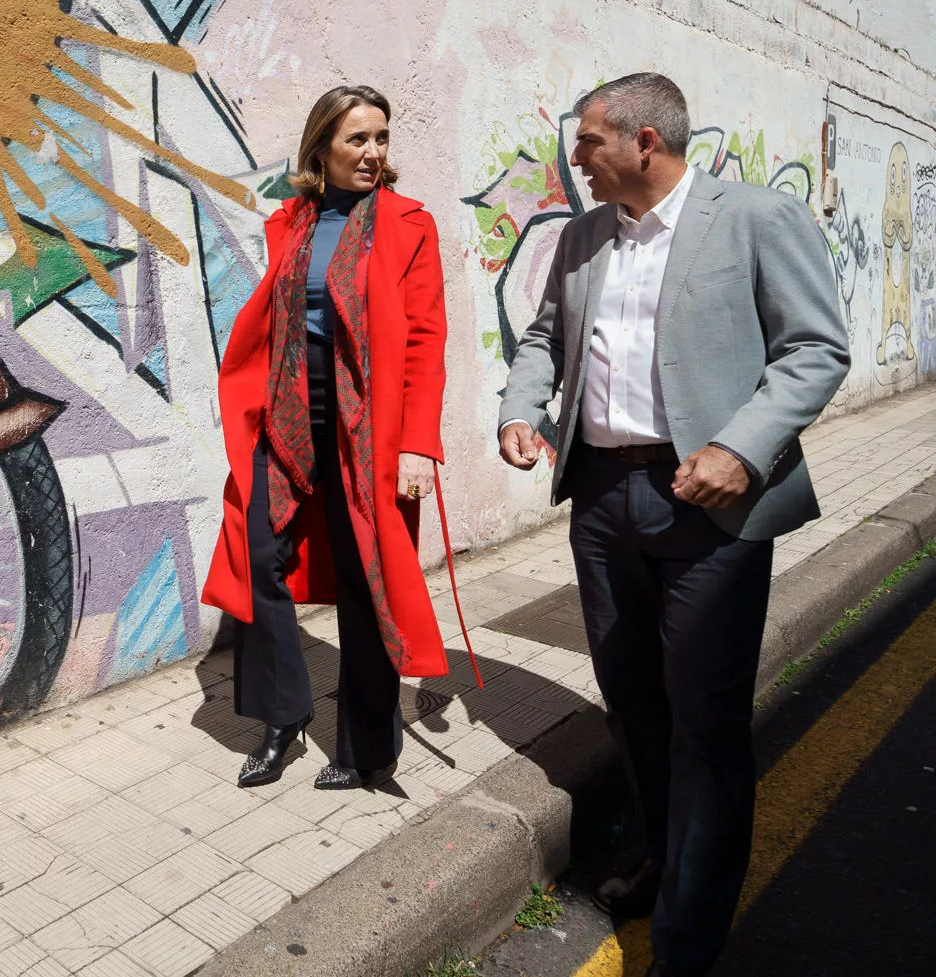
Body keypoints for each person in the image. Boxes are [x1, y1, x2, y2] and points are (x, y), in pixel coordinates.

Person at [498, 73, 848, 977]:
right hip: (601, 499)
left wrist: (741, 449)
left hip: (710, 503)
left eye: (588, 141)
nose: (576, 157)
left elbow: (816, 349)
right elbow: (543, 338)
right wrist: (522, 408)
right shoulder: (583, 235)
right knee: (635, 704)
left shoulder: (757, 218)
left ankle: (689, 939)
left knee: (705, 721)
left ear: (643, 142)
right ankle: (665, 857)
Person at [202, 85, 451, 791]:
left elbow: (426, 339)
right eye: (357, 139)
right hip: (287, 415)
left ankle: (366, 747)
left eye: (381, 138)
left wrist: (417, 443)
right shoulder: (293, 220)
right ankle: (282, 717)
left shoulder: (408, 224)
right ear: (323, 148)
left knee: (363, 574)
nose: (373, 152)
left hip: (367, 427)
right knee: (259, 556)